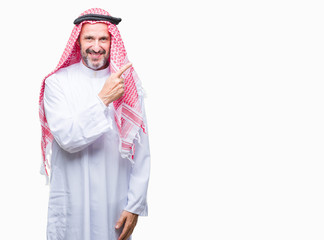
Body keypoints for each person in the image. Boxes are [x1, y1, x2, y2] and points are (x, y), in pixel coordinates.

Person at [38, 8, 150, 240]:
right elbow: (68, 138)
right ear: (78, 41)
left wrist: (135, 205)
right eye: (89, 38)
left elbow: (141, 150)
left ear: (112, 42)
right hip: (72, 201)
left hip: (114, 200)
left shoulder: (127, 85)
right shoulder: (57, 83)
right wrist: (103, 100)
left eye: (103, 39)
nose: (96, 46)